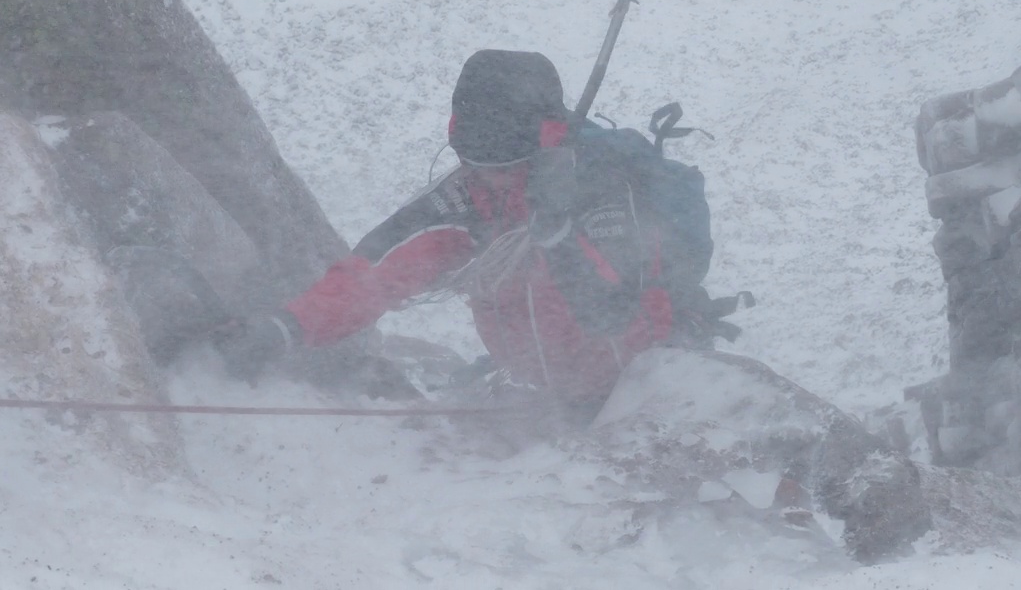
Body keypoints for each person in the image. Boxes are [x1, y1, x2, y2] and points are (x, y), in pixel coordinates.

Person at [216, 49, 676, 419]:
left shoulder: (604, 189)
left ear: (545, 145)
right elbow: (376, 272)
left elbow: (615, 313)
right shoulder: (471, 197)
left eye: (502, 167)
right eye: (472, 163)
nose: (483, 178)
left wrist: (560, 239)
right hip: (546, 396)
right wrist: (287, 328)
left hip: (640, 389)